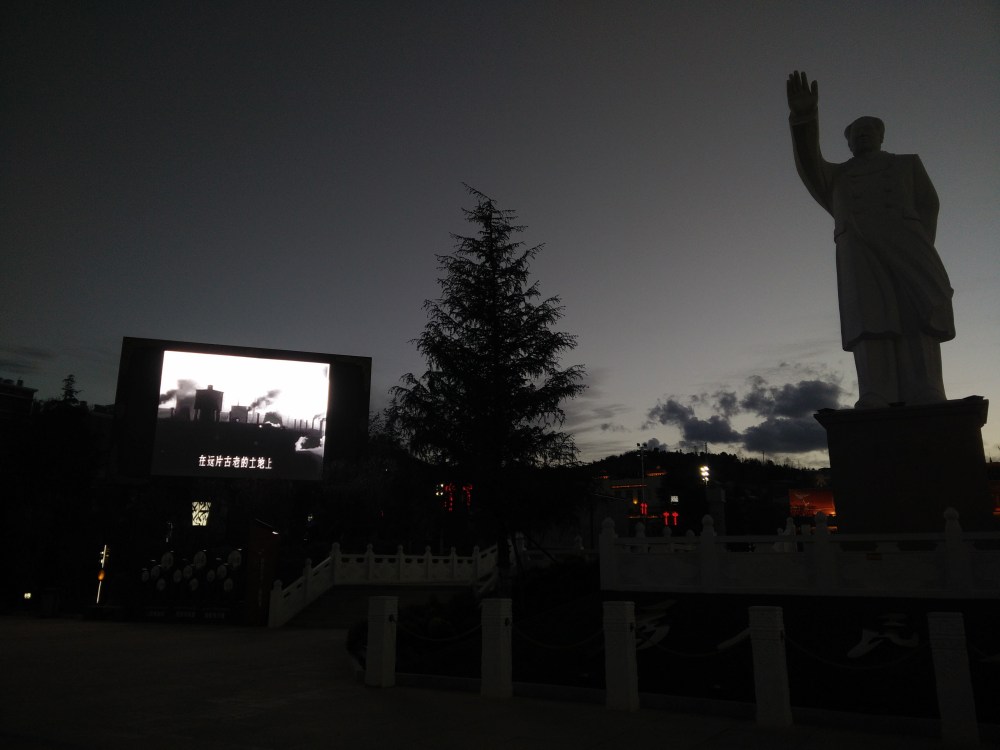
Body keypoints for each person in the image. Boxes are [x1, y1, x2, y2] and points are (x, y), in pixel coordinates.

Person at [786, 70, 954, 408]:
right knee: (869, 320)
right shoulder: (837, 176)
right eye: (855, 133)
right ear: (848, 143)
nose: (862, 135)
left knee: (916, 312)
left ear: (881, 136)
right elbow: (808, 163)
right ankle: (875, 391)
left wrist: (919, 241)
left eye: (869, 130)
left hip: (908, 244)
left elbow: (928, 204)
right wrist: (805, 117)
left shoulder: (906, 164)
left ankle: (927, 387)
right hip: (859, 249)